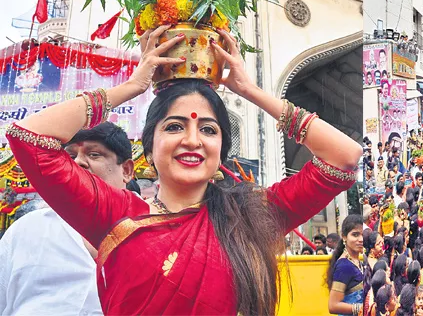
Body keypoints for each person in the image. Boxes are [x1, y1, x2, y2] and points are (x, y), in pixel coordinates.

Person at [6, 26, 362, 315]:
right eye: (174, 127)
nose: (192, 140)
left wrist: (250, 90)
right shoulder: (115, 214)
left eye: (208, 130)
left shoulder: (249, 217)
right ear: (149, 146)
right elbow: (28, 136)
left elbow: (344, 157)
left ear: (221, 148)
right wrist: (132, 87)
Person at [0, 122, 134, 315]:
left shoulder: (158, 232)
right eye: (70, 156)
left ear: (127, 171)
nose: (78, 162)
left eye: (94, 154)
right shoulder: (27, 230)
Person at [328, 214, 364, 316]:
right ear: (344, 236)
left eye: (363, 234)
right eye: (355, 235)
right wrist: (362, 308)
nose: (361, 239)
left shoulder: (357, 262)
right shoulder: (344, 266)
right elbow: (333, 306)